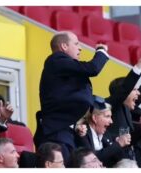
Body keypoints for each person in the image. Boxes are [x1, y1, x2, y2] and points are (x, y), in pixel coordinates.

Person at [34, 31, 109, 163]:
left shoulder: (63, 67)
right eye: (76, 43)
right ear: (64, 46)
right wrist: (101, 51)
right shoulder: (56, 60)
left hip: (64, 131)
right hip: (56, 133)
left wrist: (75, 126)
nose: (80, 48)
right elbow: (92, 68)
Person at [75, 96, 130, 167]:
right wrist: (118, 144)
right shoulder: (83, 134)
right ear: (94, 118)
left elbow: (120, 158)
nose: (111, 121)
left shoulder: (105, 133)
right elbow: (93, 159)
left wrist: (119, 143)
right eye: (107, 116)